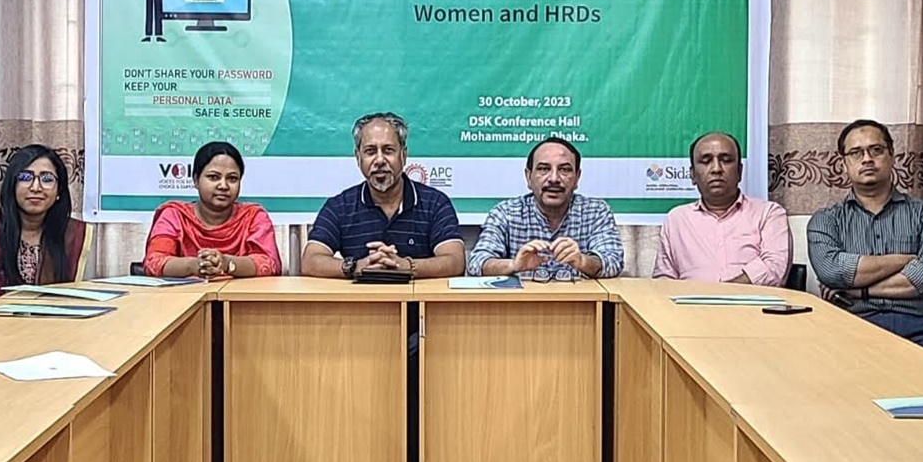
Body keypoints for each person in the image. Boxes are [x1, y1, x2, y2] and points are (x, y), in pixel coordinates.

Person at [808, 119, 923, 348]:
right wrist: (906, 259)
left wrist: (858, 292)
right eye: (856, 153)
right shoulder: (826, 220)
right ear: (843, 163)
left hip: (921, 328)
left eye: (876, 150)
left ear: (892, 156)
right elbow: (832, 272)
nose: (867, 159)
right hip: (850, 328)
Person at [302, 112, 464, 279]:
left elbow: (455, 261)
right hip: (362, 296)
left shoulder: (435, 203)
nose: (379, 160)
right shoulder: (340, 207)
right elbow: (310, 261)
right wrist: (356, 267)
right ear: (358, 157)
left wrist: (406, 266)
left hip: (416, 296)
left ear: (403, 155)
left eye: (388, 150)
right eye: (370, 151)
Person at [468, 137, 624, 279]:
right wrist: (513, 265)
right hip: (523, 300)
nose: (554, 178)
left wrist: (583, 261)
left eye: (564, 169)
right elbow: (476, 264)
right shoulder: (506, 213)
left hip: (582, 300)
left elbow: (613, 262)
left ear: (577, 178)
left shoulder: (596, 212)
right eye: (544, 169)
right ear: (528, 177)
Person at [653, 132, 792, 286]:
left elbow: (774, 269)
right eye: (706, 161)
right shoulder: (677, 219)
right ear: (692, 175)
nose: (716, 169)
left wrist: (720, 293)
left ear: (739, 171)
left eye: (726, 160)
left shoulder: (768, 214)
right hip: (688, 301)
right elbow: (663, 280)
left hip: (750, 301)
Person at [143, 141, 281, 279]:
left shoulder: (253, 217)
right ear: (196, 180)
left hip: (240, 293)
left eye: (232, 179)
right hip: (186, 293)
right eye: (213, 177)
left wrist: (227, 264)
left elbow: (269, 264)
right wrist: (194, 266)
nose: (223, 186)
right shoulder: (175, 216)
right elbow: (154, 262)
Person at [0, 145, 87, 305]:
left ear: (59, 190)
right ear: (12, 185)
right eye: (26, 177)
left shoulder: (73, 234)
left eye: (47, 179)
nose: (36, 188)